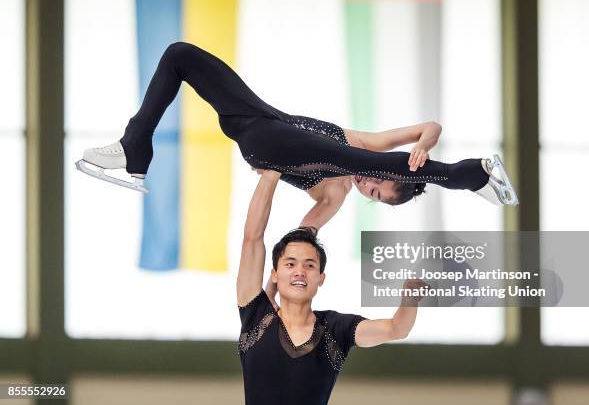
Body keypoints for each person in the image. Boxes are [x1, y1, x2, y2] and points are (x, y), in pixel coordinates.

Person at [75, 41, 518, 228]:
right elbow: (431, 126)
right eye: (383, 185)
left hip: (263, 146)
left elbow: (301, 238)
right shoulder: (368, 145)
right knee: (180, 55)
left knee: (354, 161)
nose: (371, 189)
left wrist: (282, 276)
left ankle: (475, 176)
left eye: (377, 196)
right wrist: (423, 144)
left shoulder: (333, 197)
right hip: (252, 118)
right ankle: (135, 149)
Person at [236, 168, 427, 404]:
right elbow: (252, 238)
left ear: (321, 278)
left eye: (309, 265)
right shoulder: (255, 315)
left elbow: (396, 329)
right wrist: (271, 173)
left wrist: (410, 297)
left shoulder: (336, 329)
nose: (299, 271)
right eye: (291, 263)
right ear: (274, 274)